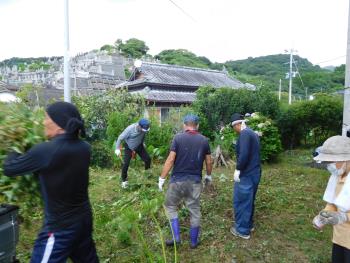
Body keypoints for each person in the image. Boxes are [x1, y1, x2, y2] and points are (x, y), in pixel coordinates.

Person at [3, 101, 99, 263]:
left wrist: (14, 147)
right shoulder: (84, 148)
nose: (43, 122)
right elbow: (57, 173)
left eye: (46, 118)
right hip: (83, 220)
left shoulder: (45, 151)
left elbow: (10, 168)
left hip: (60, 228)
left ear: (59, 125)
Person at [158, 114, 212, 249]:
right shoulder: (204, 140)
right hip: (195, 182)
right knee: (194, 210)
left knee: (170, 206)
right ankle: (193, 242)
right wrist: (209, 176)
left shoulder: (178, 138)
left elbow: (170, 159)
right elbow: (209, 161)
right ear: (197, 125)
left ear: (184, 125)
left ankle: (176, 237)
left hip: (177, 181)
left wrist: (162, 178)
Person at [312, 135, 350, 263]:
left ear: (346, 159)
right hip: (340, 238)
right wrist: (323, 216)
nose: (330, 166)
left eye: (333, 162)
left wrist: (344, 217)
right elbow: (333, 202)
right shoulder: (337, 175)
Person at [230, 113, 261, 240]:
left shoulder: (244, 134)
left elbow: (244, 154)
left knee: (242, 201)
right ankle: (249, 224)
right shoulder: (252, 133)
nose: (235, 131)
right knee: (249, 200)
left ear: (237, 124)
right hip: (255, 172)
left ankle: (242, 230)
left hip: (246, 173)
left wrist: (238, 169)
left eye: (234, 128)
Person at [114, 118, 151, 188]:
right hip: (129, 147)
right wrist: (117, 149)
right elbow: (120, 138)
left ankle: (147, 174)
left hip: (139, 146)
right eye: (143, 130)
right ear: (139, 126)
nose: (144, 131)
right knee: (126, 164)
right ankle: (124, 180)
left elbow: (143, 135)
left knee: (148, 159)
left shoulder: (144, 129)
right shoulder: (130, 129)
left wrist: (143, 142)